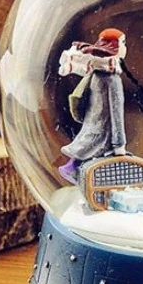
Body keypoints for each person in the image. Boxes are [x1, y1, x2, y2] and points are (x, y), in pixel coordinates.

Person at [58, 28, 127, 184]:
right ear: (114, 47)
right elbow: (116, 112)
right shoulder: (112, 79)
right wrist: (119, 144)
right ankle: (74, 171)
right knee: (95, 157)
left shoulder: (96, 73)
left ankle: (75, 171)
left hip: (92, 125)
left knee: (87, 154)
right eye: (123, 43)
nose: (125, 47)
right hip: (104, 132)